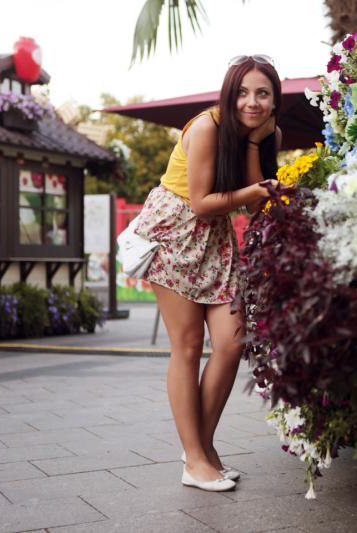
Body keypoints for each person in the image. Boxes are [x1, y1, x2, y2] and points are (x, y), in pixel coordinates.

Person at [134, 54, 282, 492]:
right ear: (228, 93)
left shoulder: (268, 132)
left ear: (274, 99)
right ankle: (196, 458)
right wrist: (253, 190)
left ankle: (202, 451)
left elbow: (256, 205)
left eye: (262, 93)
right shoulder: (206, 128)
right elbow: (200, 202)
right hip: (175, 229)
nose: (251, 102)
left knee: (232, 342)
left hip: (215, 238)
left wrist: (255, 145)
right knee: (187, 345)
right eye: (242, 92)